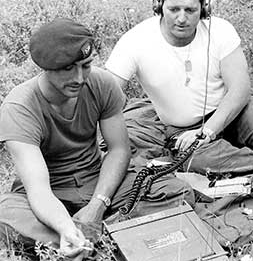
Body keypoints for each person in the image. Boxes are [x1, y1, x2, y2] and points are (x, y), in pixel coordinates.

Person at [0, 18, 194, 260]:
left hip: (97, 180)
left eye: (86, 65)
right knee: (6, 213)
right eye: (68, 69)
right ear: (46, 68)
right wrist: (66, 227)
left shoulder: (102, 84)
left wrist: (97, 205)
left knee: (175, 190)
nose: (80, 78)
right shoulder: (19, 107)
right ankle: (97, 239)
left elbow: (119, 150)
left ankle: (83, 245)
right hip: (50, 193)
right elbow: (38, 188)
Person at [106, 0, 253, 174]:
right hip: (182, 129)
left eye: (190, 10)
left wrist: (207, 131)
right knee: (197, 161)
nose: (181, 18)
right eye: (173, 9)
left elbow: (240, 89)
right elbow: (107, 90)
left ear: (204, 9)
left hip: (234, 111)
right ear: (160, 6)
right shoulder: (135, 40)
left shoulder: (221, 30)